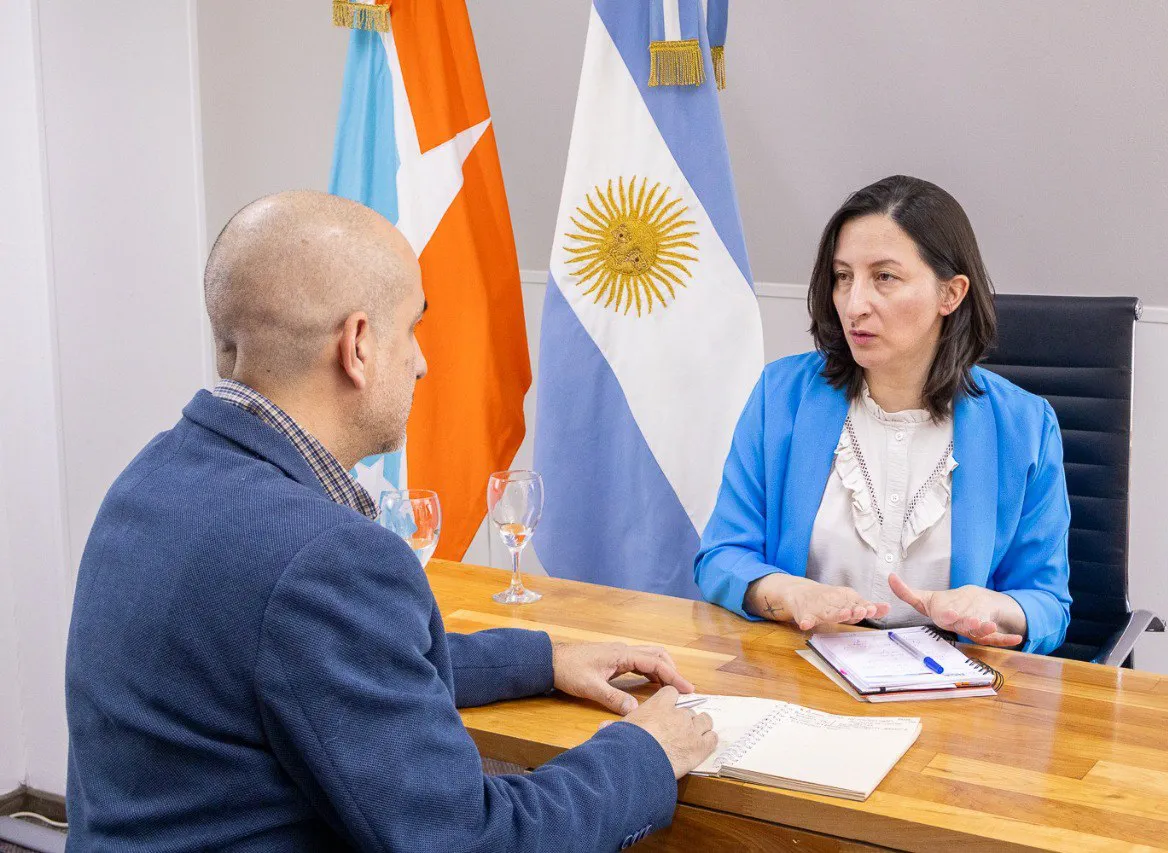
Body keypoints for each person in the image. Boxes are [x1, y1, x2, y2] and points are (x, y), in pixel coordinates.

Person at [65, 191, 716, 851]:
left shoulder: (151, 477)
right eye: (412, 328)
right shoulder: (322, 557)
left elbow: (338, 666)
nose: (423, 361)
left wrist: (545, 659)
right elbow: (471, 841)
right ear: (358, 345)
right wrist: (644, 753)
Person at [695, 176, 1071, 655]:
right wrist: (789, 594)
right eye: (843, 276)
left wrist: (992, 608)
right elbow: (721, 557)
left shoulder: (1026, 426)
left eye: (884, 278)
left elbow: (1048, 605)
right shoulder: (781, 396)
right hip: (799, 672)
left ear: (950, 295)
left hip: (954, 689)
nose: (854, 305)